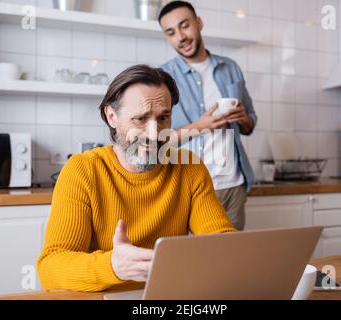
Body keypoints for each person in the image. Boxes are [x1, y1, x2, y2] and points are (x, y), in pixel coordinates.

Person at [36, 65, 236, 293]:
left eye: (163, 118)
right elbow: (50, 269)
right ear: (111, 116)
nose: (154, 133)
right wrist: (113, 266)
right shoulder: (82, 170)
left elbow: (223, 243)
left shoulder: (189, 168)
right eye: (140, 119)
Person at [159, 1, 257, 231]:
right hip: (191, 187)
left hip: (234, 185)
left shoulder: (230, 68)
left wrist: (243, 118)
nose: (180, 37)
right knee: (194, 263)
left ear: (198, 23)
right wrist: (200, 126)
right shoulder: (163, 77)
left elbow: (251, 122)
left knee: (231, 262)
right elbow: (158, 140)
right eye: (171, 32)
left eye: (184, 26)